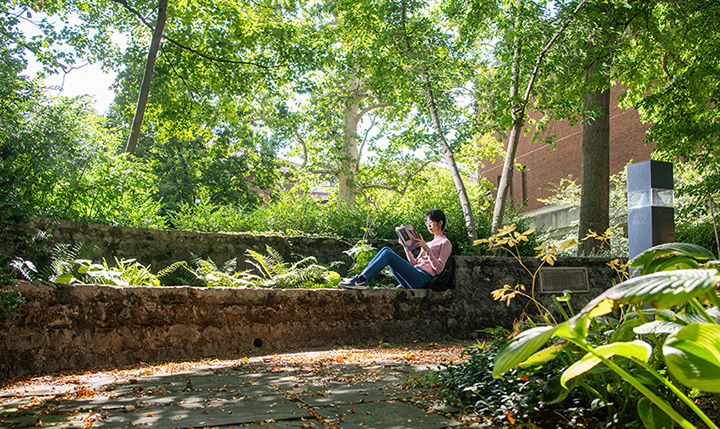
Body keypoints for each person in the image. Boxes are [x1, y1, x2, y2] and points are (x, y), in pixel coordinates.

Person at [339, 209, 453, 290]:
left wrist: (426, 249)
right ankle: (361, 278)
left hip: (423, 279)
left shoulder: (445, 243)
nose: (428, 226)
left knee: (388, 253)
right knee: (385, 250)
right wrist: (405, 247)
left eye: (431, 222)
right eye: (426, 223)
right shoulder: (428, 242)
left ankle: (361, 280)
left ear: (440, 222)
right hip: (414, 277)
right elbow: (414, 263)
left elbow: (439, 269)